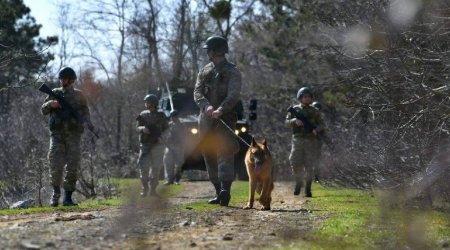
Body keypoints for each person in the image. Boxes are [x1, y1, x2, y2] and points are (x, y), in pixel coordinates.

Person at [194, 35, 241, 206]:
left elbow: (233, 95)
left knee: (225, 152)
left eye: (209, 50)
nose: (207, 53)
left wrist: (221, 109)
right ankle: (217, 191)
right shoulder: (204, 70)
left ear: (215, 51)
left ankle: (225, 191)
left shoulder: (233, 71)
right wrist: (206, 106)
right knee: (208, 154)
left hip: (225, 118)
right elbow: (197, 92)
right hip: (206, 120)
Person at [41, 67, 91, 206]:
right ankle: (55, 194)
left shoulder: (80, 95)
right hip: (57, 135)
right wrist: (51, 104)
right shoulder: (55, 93)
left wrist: (86, 123)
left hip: (74, 135)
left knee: (73, 166)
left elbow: (86, 113)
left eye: (65, 79)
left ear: (72, 80)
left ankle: (68, 197)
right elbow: (43, 110)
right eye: (61, 79)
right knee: (55, 164)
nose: (62, 81)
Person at [285, 87, 324, 197]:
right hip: (297, 140)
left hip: (311, 140)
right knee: (294, 161)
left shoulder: (315, 111)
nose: (306, 98)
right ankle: (298, 181)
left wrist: (317, 129)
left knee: (309, 165)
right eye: (304, 96)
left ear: (311, 98)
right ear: (300, 98)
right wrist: (294, 121)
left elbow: (322, 124)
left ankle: (308, 188)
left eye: (308, 96)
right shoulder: (295, 109)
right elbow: (286, 122)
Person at [136, 94, 168, 196]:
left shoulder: (161, 115)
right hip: (145, 145)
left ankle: (153, 190)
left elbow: (167, 129)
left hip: (157, 146)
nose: (146, 104)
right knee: (143, 167)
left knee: (156, 168)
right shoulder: (143, 114)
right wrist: (142, 129)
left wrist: (163, 137)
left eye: (147, 102)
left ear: (153, 103)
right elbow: (137, 127)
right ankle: (144, 188)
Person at [163, 110, 185, 185]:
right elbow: (165, 134)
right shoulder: (169, 125)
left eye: (174, 117)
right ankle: (169, 180)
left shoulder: (181, 125)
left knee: (179, 164)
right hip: (169, 146)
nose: (172, 118)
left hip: (178, 146)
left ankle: (177, 179)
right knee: (168, 162)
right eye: (172, 117)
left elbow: (184, 136)